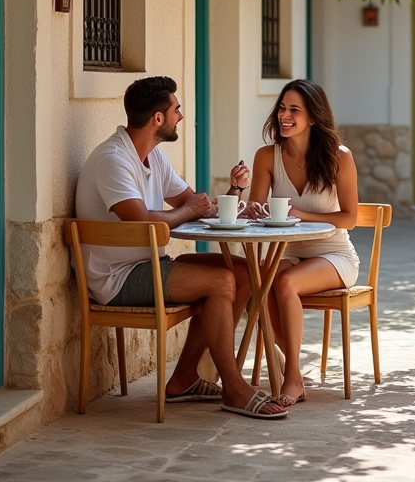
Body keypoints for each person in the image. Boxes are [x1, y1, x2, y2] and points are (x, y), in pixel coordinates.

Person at [74, 76, 287, 419]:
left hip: (149, 267)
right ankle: (233, 387)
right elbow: (139, 220)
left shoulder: (153, 157)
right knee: (221, 282)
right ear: (158, 119)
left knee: (243, 273)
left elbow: (191, 201)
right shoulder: (113, 160)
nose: (181, 116)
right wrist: (189, 211)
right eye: (177, 109)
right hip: (117, 279)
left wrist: (235, 200)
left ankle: (185, 379)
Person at [247, 79, 360, 407]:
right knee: (263, 280)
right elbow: (255, 212)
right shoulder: (267, 156)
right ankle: (290, 368)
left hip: (334, 255)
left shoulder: (340, 157)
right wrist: (242, 197)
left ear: (313, 117)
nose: (285, 115)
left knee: (284, 281)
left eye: (294, 109)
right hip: (289, 250)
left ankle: (292, 378)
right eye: (282, 107)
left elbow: (350, 218)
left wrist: (299, 214)